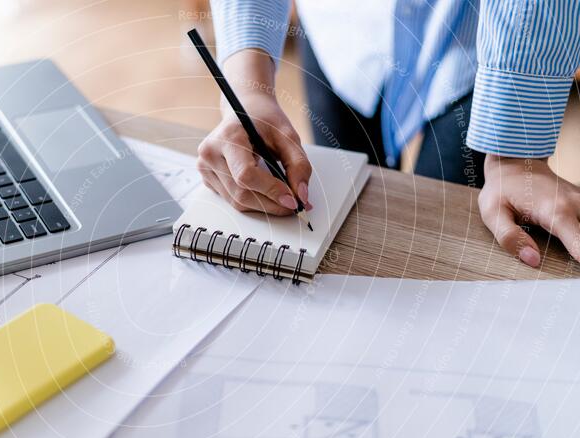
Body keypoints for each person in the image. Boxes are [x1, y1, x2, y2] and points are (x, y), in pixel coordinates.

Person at [198, 1, 580, 268]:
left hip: (483, 38)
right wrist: (247, 87)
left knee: (455, 244)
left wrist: (514, 153)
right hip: (338, 30)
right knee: (346, 224)